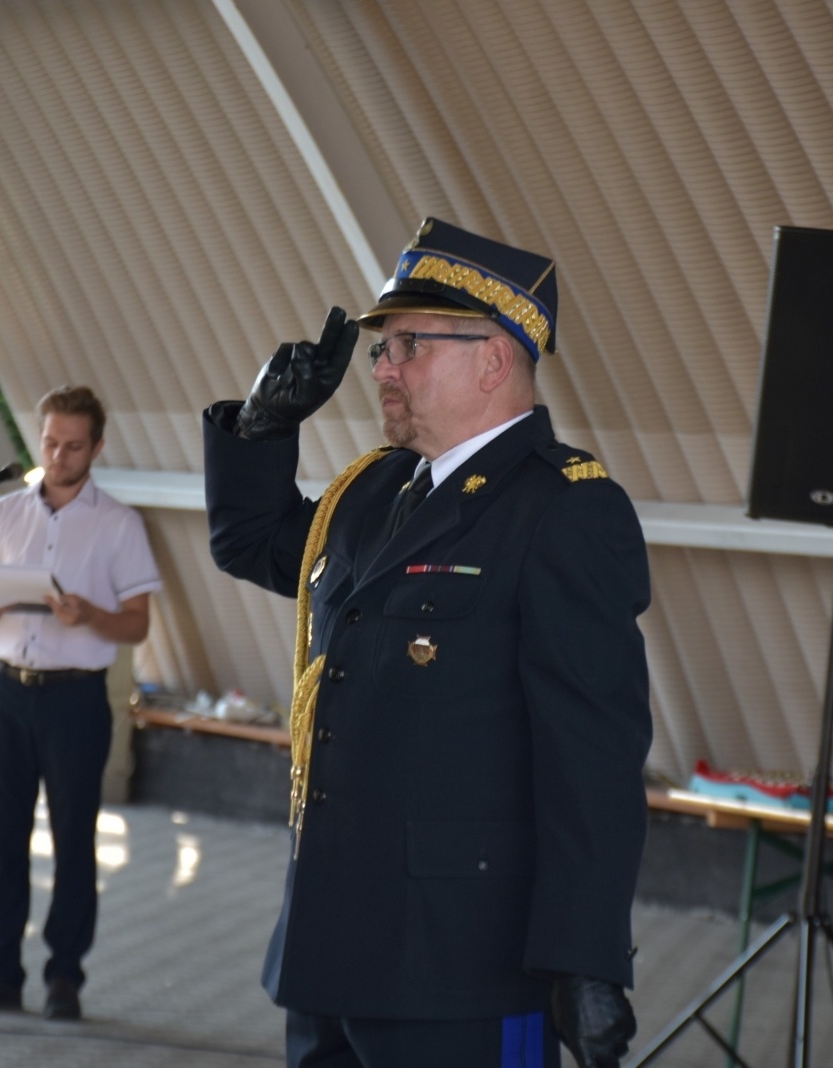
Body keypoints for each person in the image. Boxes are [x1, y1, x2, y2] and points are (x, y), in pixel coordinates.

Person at [203, 219, 653, 1068]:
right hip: (330, 945)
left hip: (463, 964)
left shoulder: (564, 510)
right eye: (383, 348)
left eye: (409, 344)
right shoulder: (371, 494)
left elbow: (592, 754)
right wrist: (262, 427)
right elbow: (252, 542)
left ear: (493, 358)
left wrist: (586, 957)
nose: (382, 368)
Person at [0, 385, 162, 1021]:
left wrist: (90, 614)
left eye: (72, 445)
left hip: (74, 698)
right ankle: (0, 971)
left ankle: (65, 976)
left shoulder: (118, 523)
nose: (58, 455)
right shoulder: (3, 513)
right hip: (5, 690)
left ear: (96, 446)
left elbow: (137, 625)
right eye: (49, 442)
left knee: (73, 838)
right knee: (4, 837)